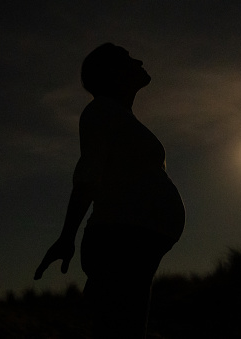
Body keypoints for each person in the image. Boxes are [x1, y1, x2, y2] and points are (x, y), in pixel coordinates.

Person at [34, 43, 185, 338]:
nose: (139, 59)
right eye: (127, 58)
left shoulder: (118, 117)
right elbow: (88, 174)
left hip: (133, 243)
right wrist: (67, 236)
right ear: (112, 73)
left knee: (127, 328)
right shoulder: (101, 111)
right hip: (120, 241)